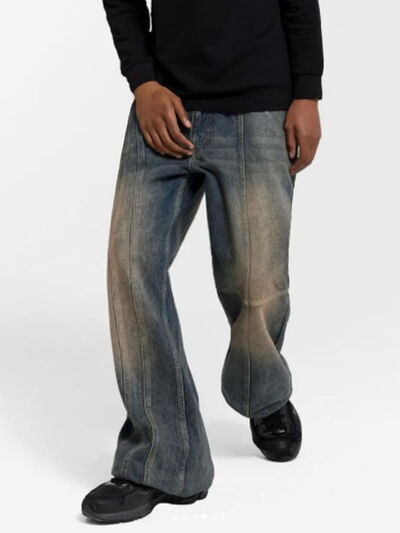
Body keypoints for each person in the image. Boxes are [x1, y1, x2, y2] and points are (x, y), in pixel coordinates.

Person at [81, 0, 324, 523]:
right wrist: (143, 83)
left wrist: (307, 91)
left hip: (260, 108)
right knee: (131, 267)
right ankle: (165, 459)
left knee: (257, 287)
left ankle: (261, 393)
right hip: (165, 108)